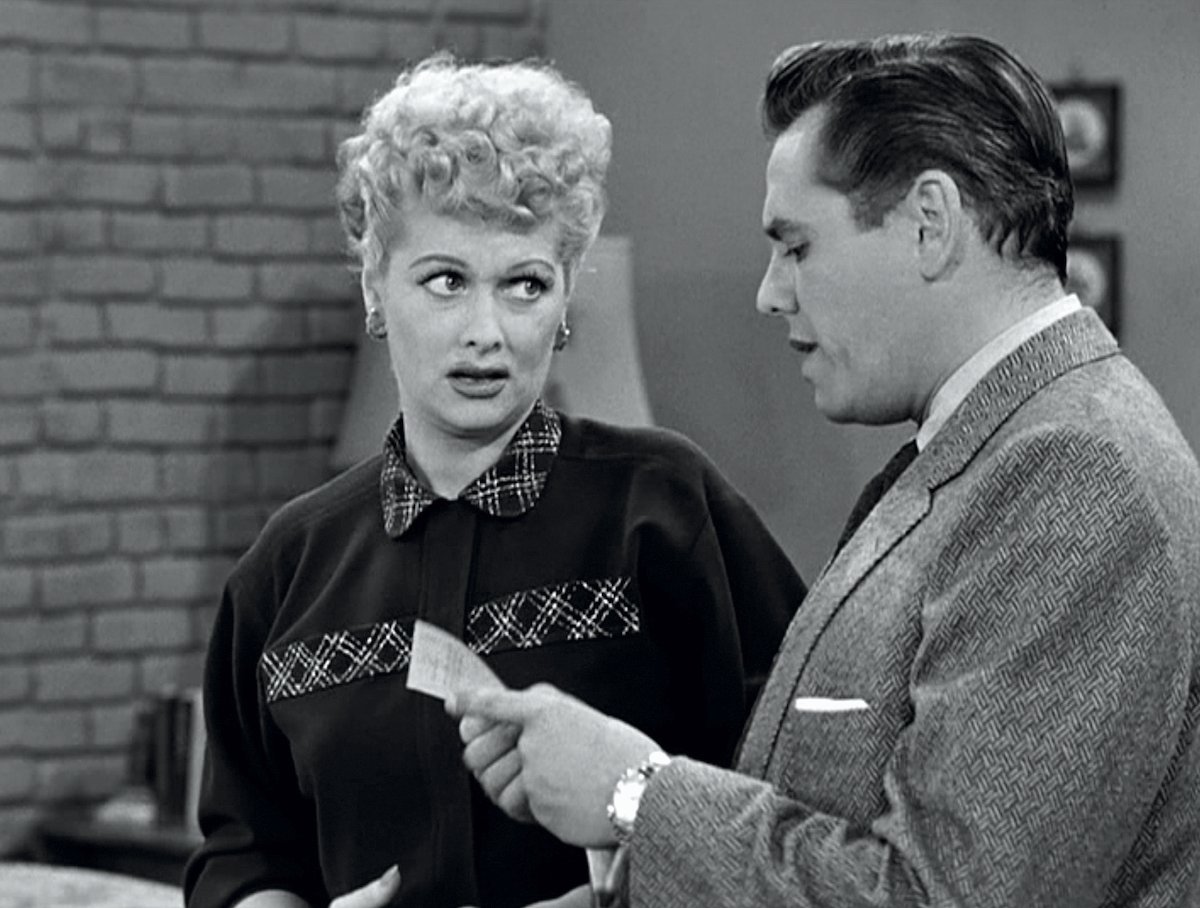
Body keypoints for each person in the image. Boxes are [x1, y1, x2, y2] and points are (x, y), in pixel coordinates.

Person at [454, 33, 1200, 907]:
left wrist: (636, 796)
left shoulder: (1076, 475)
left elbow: (935, 897)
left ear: (930, 224)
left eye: (798, 246)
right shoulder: (985, 450)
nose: (771, 291)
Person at [181, 51, 805, 908]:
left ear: (565, 301)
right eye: (445, 281)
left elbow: (793, 802)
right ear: (374, 285)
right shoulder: (289, 566)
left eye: (524, 285)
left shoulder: (662, 505)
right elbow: (242, 848)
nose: (487, 332)